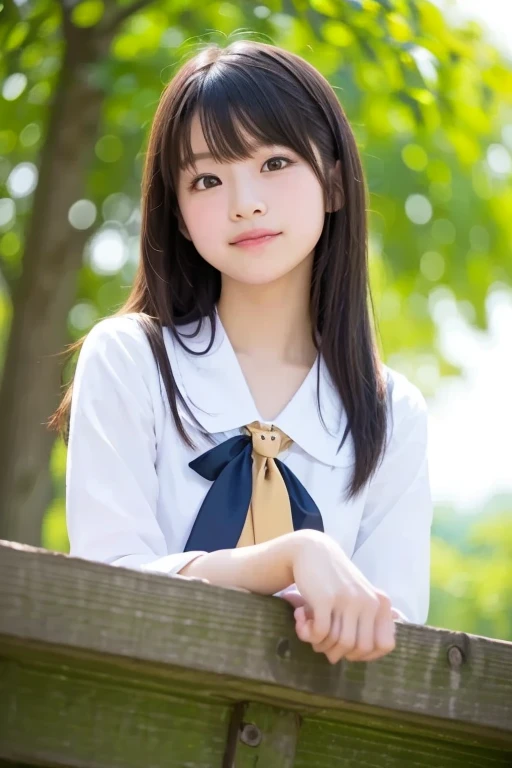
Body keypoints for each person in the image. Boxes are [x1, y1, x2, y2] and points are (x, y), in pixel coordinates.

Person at [48, 39, 433, 665]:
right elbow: (106, 586)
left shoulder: (391, 414)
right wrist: (291, 557)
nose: (244, 201)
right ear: (178, 214)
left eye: (275, 163)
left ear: (334, 183)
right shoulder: (130, 362)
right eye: (207, 178)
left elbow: (393, 634)